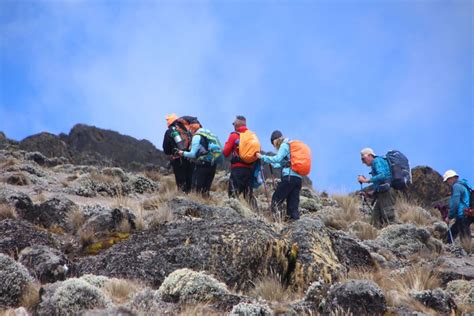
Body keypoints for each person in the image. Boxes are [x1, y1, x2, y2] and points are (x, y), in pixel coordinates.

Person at [256, 130, 302, 221]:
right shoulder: (291, 146)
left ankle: (276, 222)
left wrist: (263, 157)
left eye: (273, 143)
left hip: (289, 177)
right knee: (292, 206)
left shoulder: (284, 145)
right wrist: (272, 163)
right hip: (298, 178)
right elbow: (282, 163)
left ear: (276, 140)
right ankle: (293, 224)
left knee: (276, 199)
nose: (274, 146)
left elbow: (277, 158)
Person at [177, 120, 222, 197]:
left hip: (202, 165)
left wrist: (182, 153)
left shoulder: (197, 136)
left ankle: (197, 207)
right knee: (205, 191)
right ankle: (207, 206)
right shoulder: (209, 133)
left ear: (192, 128)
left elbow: (193, 154)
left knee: (196, 190)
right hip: (213, 164)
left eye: (190, 129)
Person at [223, 115, 257, 208]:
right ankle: (257, 215)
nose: (233, 125)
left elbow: (226, 152)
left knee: (233, 193)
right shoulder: (251, 137)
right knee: (248, 195)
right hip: (250, 169)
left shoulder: (234, 135)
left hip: (238, 168)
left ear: (237, 125)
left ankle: (233, 215)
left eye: (234, 123)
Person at [357, 147, 396, 228]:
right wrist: (370, 194)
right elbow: (381, 182)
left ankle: (401, 235)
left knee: (389, 218)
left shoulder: (377, 161)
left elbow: (383, 175)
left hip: (386, 193)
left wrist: (366, 180)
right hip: (382, 194)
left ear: (370, 155)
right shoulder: (376, 163)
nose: (363, 162)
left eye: (363, 159)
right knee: (375, 220)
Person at [162, 114, 194, 193]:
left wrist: (172, 152)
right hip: (190, 158)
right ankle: (192, 199)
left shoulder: (170, 131)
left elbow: (166, 149)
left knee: (181, 183)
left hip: (178, 159)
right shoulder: (187, 130)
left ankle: (183, 200)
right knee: (189, 181)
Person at [443, 170, 472, 243]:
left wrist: (449, 217)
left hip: (462, 215)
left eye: (447, 180)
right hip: (467, 214)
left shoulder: (456, 186)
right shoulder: (464, 185)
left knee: (462, 236)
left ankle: (468, 251)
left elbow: (455, 204)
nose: (447, 183)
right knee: (457, 233)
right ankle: (467, 250)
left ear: (451, 178)